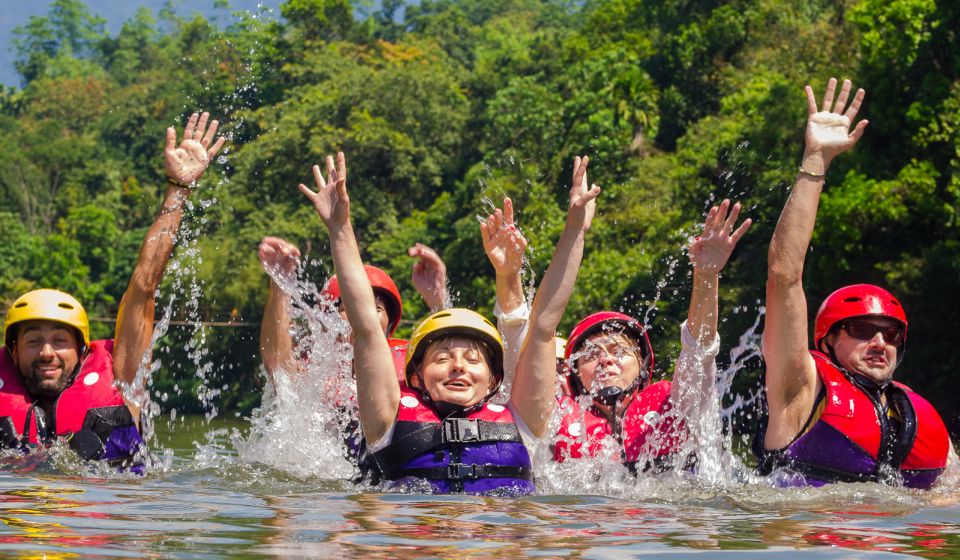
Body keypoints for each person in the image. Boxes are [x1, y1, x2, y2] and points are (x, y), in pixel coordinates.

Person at [299, 152, 600, 494]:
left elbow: (545, 323)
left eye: (474, 360)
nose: (459, 367)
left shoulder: (522, 423)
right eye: (442, 358)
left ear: (493, 382)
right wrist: (340, 228)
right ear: (415, 377)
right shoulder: (387, 422)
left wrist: (575, 229)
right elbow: (367, 326)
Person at [0, 112, 226, 468]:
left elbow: (144, 286)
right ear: (12, 351)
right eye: (32, 341)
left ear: (81, 348)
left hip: (116, 516)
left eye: (59, 340)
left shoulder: (122, 375)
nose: (46, 352)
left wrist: (178, 189)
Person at [757, 78, 950, 488]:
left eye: (892, 334)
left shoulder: (919, 416)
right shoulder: (800, 387)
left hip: (891, 550)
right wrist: (815, 161)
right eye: (863, 331)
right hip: (809, 547)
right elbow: (784, 275)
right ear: (827, 339)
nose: (881, 344)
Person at [552, 200, 751, 473]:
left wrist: (706, 275)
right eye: (590, 355)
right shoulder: (555, 421)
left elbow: (699, 348)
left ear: (643, 366)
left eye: (619, 351)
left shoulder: (677, 401)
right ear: (574, 373)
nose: (606, 360)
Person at [258, 239, 449, 382]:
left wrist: (438, 301)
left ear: (389, 327)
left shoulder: (410, 365)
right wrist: (280, 284)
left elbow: (452, 359)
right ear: (327, 322)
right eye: (349, 308)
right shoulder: (315, 373)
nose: (363, 315)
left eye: (377, 308)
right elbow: (277, 365)